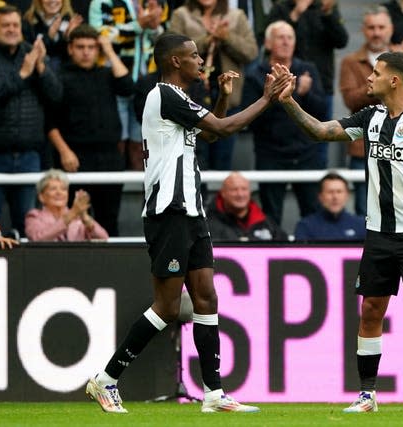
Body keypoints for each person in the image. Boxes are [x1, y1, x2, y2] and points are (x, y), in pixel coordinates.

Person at [85, 32, 289, 413]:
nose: (201, 61)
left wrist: (224, 98)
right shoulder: (165, 96)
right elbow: (224, 129)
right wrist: (267, 97)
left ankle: (213, 394)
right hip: (169, 211)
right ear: (175, 62)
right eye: (194, 56)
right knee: (166, 306)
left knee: (207, 296)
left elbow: (210, 134)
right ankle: (107, 379)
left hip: (191, 211)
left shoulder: (178, 103)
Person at [274, 51, 403, 412]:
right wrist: (288, 102)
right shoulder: (370, 117)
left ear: (394, 80)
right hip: (379, 233)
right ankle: (367, 394)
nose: (369, 78)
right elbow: (321, 132)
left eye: (377, 73)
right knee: (370, 311)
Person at [0, 5, 63, 237]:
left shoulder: (32, 53)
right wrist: (22, 74)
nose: (12, 30)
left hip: (29, 154)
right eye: (5, 25)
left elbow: (56, 96)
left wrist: (41, 68)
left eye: (15, 25)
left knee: (27, 224)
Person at [47, 24, 133, 236]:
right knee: (74, 221)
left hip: (110, 157)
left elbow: (127, 87)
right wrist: (64, 151)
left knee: (109, 220)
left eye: (91, 47)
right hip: (75, 158)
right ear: (70, 49)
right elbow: (49, 121)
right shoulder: (59, 76)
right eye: (80, 47)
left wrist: (110, 51)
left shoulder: (106, 73)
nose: (86, 52)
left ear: (98, 50)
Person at [340, 5, 403, 216]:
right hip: (363, 145)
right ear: (363, 30)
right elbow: (350, 100)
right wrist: (384, 84)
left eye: (381, 27)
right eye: (371, 27)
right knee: (364, 206)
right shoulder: (350, 61)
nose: (376, 32)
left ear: (390, 28)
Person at [241, 20, 325, 226]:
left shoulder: (307, 70)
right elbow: (252, 121)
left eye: (290, 38)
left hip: (307, 154)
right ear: (268, 44)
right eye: (280, 37)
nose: (286, 42)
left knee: (313, 213)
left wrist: (306, 94)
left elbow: (322, 111)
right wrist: (292, 93)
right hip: (271, 154)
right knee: (271, 215)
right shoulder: (255, 75)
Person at [169, 0, 258, 170]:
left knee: (222, 159)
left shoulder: (236, 16)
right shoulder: (181, 15)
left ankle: (218, 196)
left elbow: (251, 52)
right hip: (190, 98)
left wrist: (227, 37)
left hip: (227, 95)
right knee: (192, 159)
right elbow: (172, 52)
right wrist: (206, 40)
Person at [88, 0, 169, 171]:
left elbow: (165, 37)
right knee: (118, 140)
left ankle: (144, 190)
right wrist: (138, 25)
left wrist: (155, 28)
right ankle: (117, 187)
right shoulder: (102, 2)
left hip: (148, 82)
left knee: (142, 143)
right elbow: (101, 37)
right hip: (115, 81)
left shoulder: (154, 1)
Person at [266, 0, 348, 166]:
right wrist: (296, 12)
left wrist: (327, 13)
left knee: (320, 139)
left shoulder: (324, 7)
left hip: (320, 84)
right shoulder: (281, 8)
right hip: (286, 78)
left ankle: (317, 180)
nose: (286, 40)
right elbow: (270, 41)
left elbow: (341, 40)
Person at [24, 169, 109, 241]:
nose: (59, 193)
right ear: (41, 197)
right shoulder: (34, 216)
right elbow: (37, 239)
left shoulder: (78, 218)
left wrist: (85, 217)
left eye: (63, 189)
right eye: (53, 189)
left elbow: (103, 238)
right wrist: (71, 214)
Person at [206, 171, 288, 241]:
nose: (240, 194)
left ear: (249, 192)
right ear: (223, 193)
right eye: (234, 190)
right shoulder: (208, 226)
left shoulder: (265, 222)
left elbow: (285, 248)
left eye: (244, 189)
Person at [294, 172, 365, 241]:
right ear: (320, 196)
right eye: (330, 192)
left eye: (339, 191)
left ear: (347, 195)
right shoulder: (305, 227)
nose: (335, 197)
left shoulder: (361, 225)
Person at [22, 0, 83, 72]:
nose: (52, 1)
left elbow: (76, 57)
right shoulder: (28, 21)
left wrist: (69, 37)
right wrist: (49, 36)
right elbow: (28, 51)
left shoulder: (71, 21)